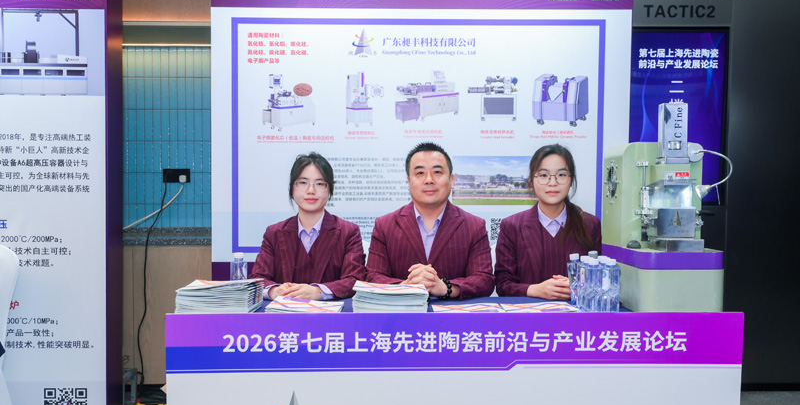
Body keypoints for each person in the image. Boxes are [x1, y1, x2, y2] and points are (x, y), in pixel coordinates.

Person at [367, 142, 494, 299]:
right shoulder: (384, 225)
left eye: (437, 172)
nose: (429, 180)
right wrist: (405, 286)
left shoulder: (474, 226)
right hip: (402, 311)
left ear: (452, 180)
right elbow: (373, 276)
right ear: (409, 182)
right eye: (420, 173)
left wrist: (445, 288)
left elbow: (484, 279)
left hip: (452, 312)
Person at [249, 152, 366, 300]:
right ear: (292, 188)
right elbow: (258, 278)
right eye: (303, 183)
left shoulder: (348, 232)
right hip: (283, 311)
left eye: (320, 184)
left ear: (330, 190)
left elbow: (354, 280)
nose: (311, 191)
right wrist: (274, 291)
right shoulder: (274, 233)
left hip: (329, 313)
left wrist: (318, 292)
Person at [495, 144, 601, 299]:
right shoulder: (512, 226)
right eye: (544, 175)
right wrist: (534, 290)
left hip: (575, 312)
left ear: (571, 180)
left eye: (561, 175)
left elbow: (599, 280)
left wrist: (578, 288)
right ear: (531, 181)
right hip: (528, 312)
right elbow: (503, 284)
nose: (552, 182)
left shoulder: (590, 224)